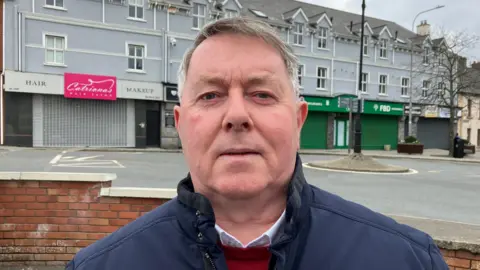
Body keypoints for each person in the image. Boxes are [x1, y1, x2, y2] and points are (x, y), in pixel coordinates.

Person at [66, 17, 448, 270]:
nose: (236, 115)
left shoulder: (406, 260)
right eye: (211, 95)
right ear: (181, 125)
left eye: (262, 94)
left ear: (298, 121)